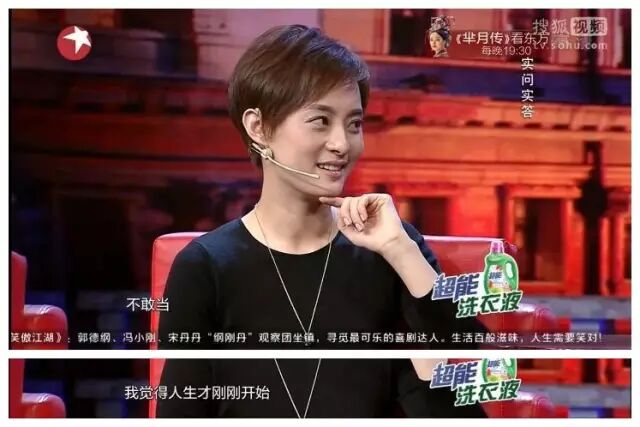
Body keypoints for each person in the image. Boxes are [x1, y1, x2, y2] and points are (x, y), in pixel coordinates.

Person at [157, 24, 488, 417]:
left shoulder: (390, 249)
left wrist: (400, 250)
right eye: (320, 120)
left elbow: (465, 353)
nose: (342, 144)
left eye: (354, 124)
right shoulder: (206, 266)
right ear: (258, 128)